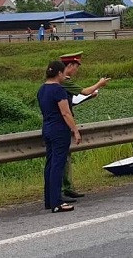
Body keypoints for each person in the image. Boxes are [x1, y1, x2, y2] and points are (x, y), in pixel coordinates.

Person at [59, 52, 111, 201]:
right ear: (69, 66)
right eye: (76, 67)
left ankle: (68, 188)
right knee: (62, 159)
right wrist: (99, 84)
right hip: (62, 124)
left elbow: (72, 102)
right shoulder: (64, 81)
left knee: (66, 158)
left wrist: (88, 97)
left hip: (65, 123)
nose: (77, 70)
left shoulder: (64, 82)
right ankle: (63, 190)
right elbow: (84, 91)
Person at [37, 60, 81, 212]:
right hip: (59, 130)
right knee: (58, 165)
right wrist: (75, 130)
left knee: (50, 164)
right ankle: (57, 202)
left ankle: (49, 199)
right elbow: (65, 112)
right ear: (59, 73)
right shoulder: (58, 90)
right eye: (63, 72)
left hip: (47, 128)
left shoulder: (42, 89)